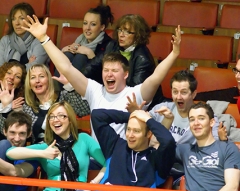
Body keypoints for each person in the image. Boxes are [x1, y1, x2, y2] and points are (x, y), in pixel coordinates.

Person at [22, 15, 181, 140]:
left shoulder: (135, 95)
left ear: (126, 74)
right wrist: (44, 39)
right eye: (106, 70)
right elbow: (66, 67)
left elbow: (156, 77)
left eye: (114, 70)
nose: (109, 74)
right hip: (96, 159)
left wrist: (174, 54)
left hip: (121, 161)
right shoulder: (94, 90)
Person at [68, 108, 176, 191]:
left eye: (136, 131)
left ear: (148, 134)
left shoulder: (156, 157)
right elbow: (97, 115)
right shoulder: (115, 145)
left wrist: (148, 120)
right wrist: (132, 115)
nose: (130, 135)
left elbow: (168, 141)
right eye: (128, 129)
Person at [6, 101, 106, 191]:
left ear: (70, 119)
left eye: (61, 116)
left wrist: (92, 184)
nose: (55, 120)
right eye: (52, 117)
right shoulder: (46, 147)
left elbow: (109, 163)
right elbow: (10, 152)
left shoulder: (84, 139)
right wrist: (43, 153)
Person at [83, 14, 163, 107]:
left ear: (137, 36)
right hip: (115, 94)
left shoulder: (143, 58)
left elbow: (135, 90)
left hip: (140, 105)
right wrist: (78, 80)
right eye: (120, 30)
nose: (121, 34)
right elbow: (92, 67)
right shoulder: (112, 46)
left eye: (127, 32)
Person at [175, 102, 240, 191]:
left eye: (201, 118)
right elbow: (160, 145)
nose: (196, 123)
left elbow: (232, 187)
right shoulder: (184, 150)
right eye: (192, 119)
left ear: (212, 122)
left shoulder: (228, 148)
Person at [0, 64, 90, 143]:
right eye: (33, 77)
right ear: (30, 85)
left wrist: (69, 85)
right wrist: (5, 107)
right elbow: (6, 131)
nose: (37, 80)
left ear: (48, 80)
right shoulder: (27, 108)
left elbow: (84, 110)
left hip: (65, 148)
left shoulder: (64, 97)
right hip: (39, 151)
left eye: (41, 76)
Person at [55, 4, 113, 83]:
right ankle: (57, 93)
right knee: (67, 54)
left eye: (93, 24)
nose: (87, 28)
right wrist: (62, 51)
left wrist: (90, 53)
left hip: (92, 86)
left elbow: (105, 74)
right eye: (85, 23)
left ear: (102, 27)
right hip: (67, 85)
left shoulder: (109, 45)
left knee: (81, 57)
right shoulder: (79, 40)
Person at [0, 2, 48, 70]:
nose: (17, 23)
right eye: (13, 19)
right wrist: (26, 66)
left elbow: (35, 68)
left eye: (21, 18)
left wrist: (8, 69)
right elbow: (0, 68)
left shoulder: (40, 41)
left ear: (31, 20)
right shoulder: (5, 40)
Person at [0, 111, 38, 191]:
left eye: (22, 133)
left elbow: (14, 173)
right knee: (4, 144)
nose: (17, 139)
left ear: (29, 134)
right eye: (12, 133)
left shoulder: (32, 156)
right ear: (4, 132)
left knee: (4, 143)